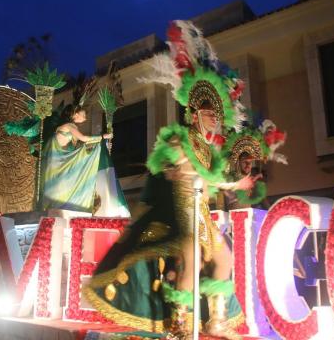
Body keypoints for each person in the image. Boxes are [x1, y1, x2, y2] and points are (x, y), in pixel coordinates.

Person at [84, 21, 259, 339]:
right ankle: (179, 326)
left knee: (224, 259)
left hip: (202, 217)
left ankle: (216, 321)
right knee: (190, 264)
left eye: (217, 115)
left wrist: (237, 184)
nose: (214, 119)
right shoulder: (180, 140)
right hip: (181, 217)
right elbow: (174, 169)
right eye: (209, 114)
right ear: (194, 114)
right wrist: (175, 169)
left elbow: (211, 178)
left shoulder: (211, 151)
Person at [39, 105, 126, 217]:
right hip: (60, 163)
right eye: (83, 115)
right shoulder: (69, 125)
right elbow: (84, 139)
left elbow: (83, 145)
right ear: (75, 114)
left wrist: (103, 144)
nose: (85, 118)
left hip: (58, 164)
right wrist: (104, 136)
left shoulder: (66, 127)